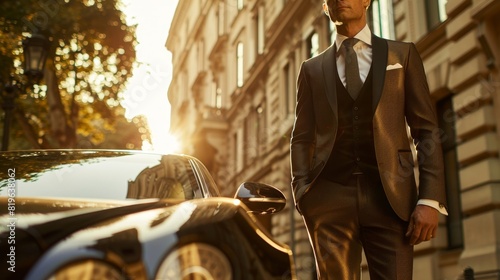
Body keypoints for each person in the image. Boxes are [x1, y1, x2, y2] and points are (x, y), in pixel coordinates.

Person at [289, 0, 448, 279]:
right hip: (328, 201)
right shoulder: (311, 69)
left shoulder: (403, 54)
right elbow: (302, 137)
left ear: (367, 1)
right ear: (326, 8)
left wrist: (430, 199)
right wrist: (303, 192)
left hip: (391, 198)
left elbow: (426, 131)